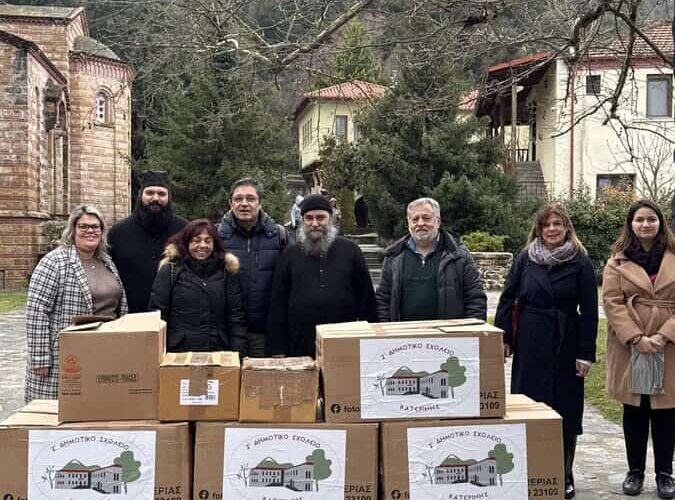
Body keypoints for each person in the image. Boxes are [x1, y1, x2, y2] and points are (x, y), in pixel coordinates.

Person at [495, 203, 598, 500]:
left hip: (566, 342)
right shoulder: (526, 258)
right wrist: (505, 337)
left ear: (567, 228)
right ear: (538, 230)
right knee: (528, 404)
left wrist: (585, 353)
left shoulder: (580, 261)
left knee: (566, 409)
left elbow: (590, 311)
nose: (552, 229)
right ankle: (527, 470)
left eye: (557, 224)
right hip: (530, 341)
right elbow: (508, 297)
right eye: (546, 225)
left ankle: (563, 473)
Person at [602, 199, 675, 499]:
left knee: (667, 411)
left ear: (660, 223)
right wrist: (636, 337)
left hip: (668, 346)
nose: (646, 224)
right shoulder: (616, 262)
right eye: (639, 220)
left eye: (651, 219)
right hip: (629, 346)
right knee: (635, 409)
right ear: (631, 225)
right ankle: (635, 472)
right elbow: (612, 302)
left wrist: (664, 335)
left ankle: (665, 475)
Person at [25, 205, 128, 402]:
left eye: (95, 226)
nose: (90, 231)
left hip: (104, 352)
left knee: (95, 407)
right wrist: (40, 359)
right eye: (83, 226)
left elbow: (119, 306)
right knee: (58, 411)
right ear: (72, 230)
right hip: (65, 356)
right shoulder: (54, 262)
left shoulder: (106, 261)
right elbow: (36, 312)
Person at [266, 194, 377, 357]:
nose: (314, 223)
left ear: (330, 219)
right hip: (299, 345)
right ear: (303, 221)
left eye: (320, 218)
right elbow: (278, 303)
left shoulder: (351, 250)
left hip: (344, 343)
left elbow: (367, 300)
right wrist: (277, 349)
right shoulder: (290, 254)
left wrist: (373, 344)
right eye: (309, 218)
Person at [376, 197, 487, 322]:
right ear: (409, 224)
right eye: (415, 219)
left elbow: (475, 299)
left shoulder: (459, 256)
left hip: (448, 333)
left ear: (438, 221)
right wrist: (385, 330)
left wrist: (470, 331)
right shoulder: (394, 257)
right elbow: (383, 300)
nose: (420, 223)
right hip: (403, 333)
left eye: (426, 218)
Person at [149, 219, 246, 354]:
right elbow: (158, 315)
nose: (202, 245)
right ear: (186, 243)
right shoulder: (170, 271)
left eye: (208, 241)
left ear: (215, 244)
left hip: (217, 350)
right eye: (196, 240)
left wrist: (238, 353)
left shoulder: (226, 272)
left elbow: (235, 316)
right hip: (179, 351)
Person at [216, 178, 288, 356]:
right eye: (238, 199)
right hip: (225, 331)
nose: (244, 204)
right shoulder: (216, 236)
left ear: (260, 203)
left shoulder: (279, 236)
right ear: (230, 203)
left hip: (265, 331)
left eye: (250, 198)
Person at [108, 170, 187, 313]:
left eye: (161, 194)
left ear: (169, 197)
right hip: (131, 317)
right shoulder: (118, 233)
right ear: (141, 195)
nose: (155, 198)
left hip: (176, 317)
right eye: (150, 193)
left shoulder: (185, 231)